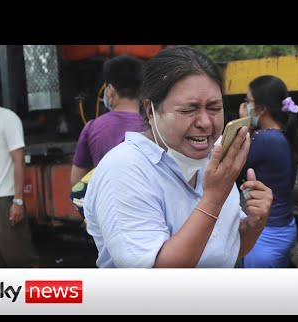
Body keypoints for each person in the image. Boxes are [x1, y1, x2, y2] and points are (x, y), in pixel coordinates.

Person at [83, 46, 273, 268]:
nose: (205, 122)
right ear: (151, 110)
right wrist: (213, 200)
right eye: (188, 110)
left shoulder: (212, 160)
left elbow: (227, 250)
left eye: (214, 108)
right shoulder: (124, 169)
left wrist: (253, 225)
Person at [236, 75, 298, 268]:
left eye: (248, 101)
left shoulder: (265, 139)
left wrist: (243, 125)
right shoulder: (283, 135)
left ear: (262, 108)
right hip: (284, 226)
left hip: (267, 234)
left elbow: (231, 164)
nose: (244, 106)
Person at [0, 74, 39, 267]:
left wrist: (17, 200)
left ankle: (42, 295)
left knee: (20, 259)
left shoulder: (6, 119)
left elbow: (19, 160)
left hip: (4, 201)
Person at [70, 54, 147, 186]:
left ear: (110, 91)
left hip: (106, 204)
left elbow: (76, 181)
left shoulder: (92, 128)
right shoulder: (153, 127)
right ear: (141, 91)